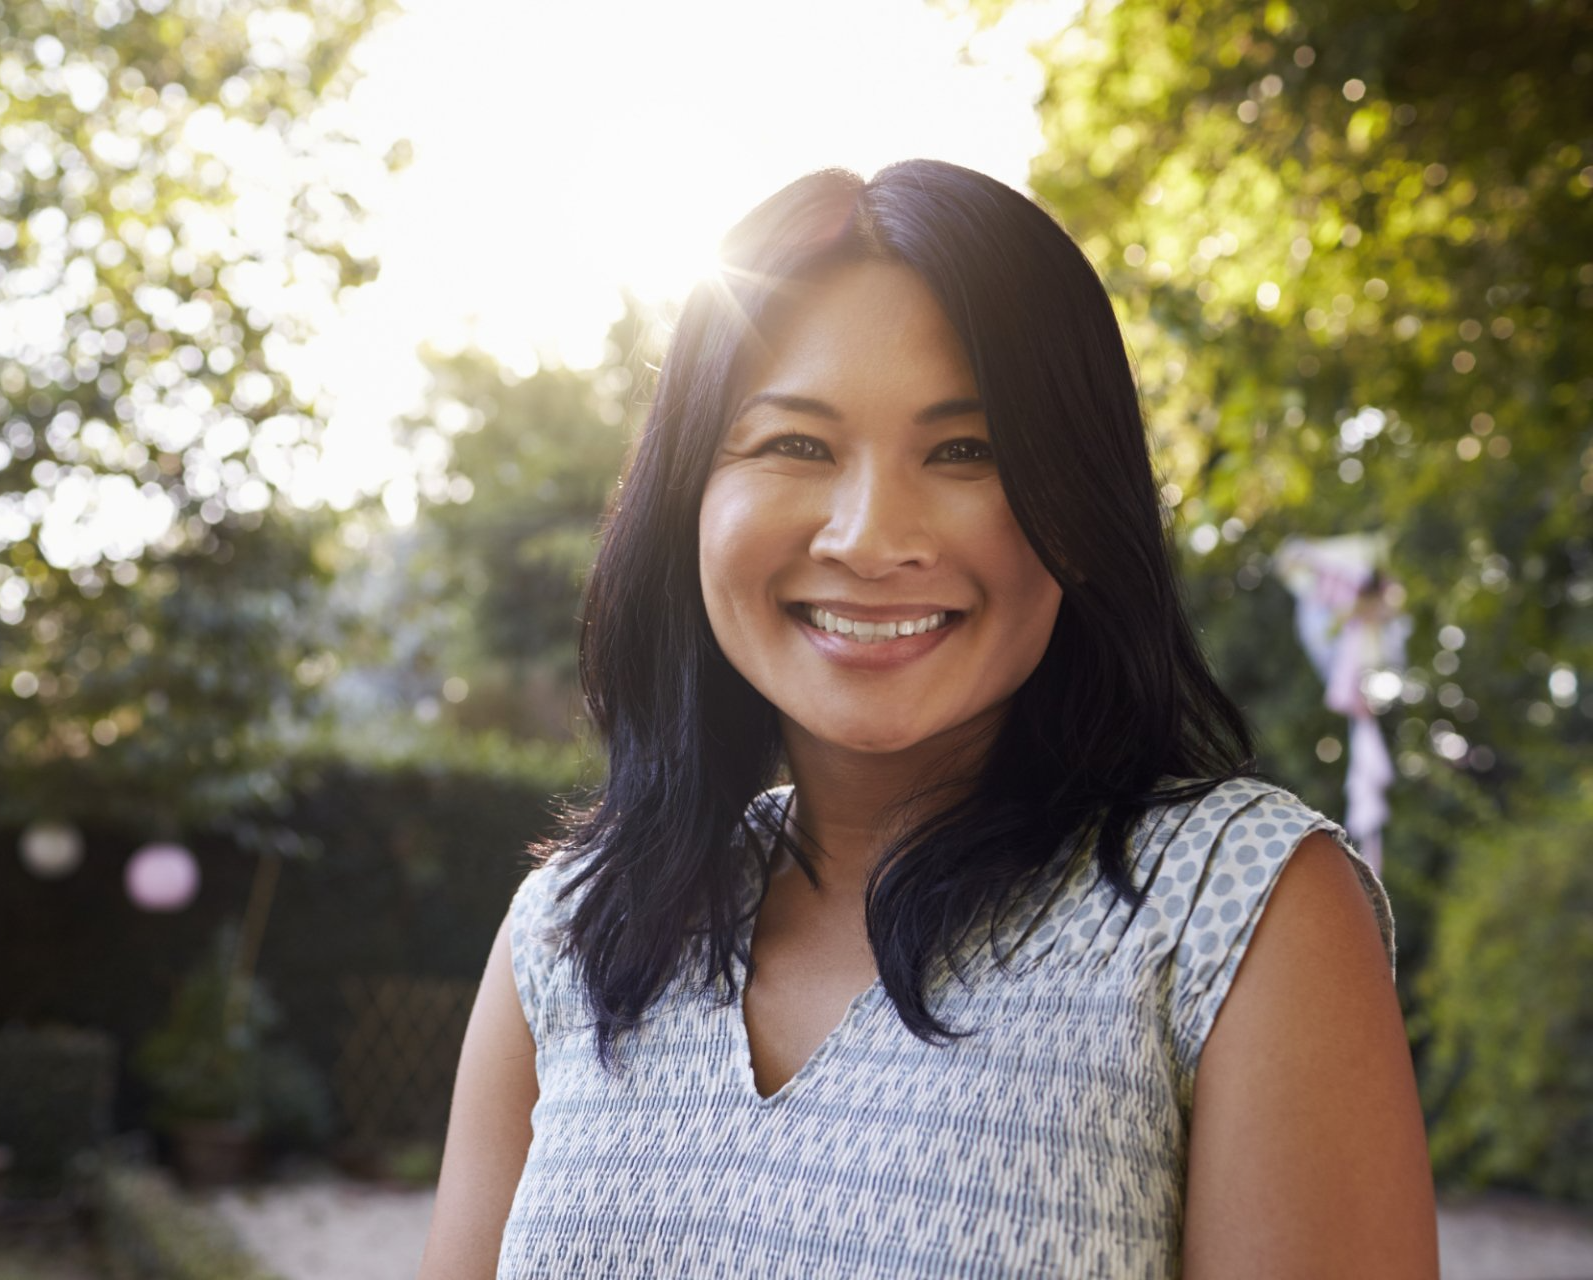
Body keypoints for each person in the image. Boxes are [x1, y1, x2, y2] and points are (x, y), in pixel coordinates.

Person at [420, 160, 1439, 1279]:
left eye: (969, 451)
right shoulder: (569, 929)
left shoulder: (1233, 908)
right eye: (796, 444)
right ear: (686, 507)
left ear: (1083, 510)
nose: (870, 536)